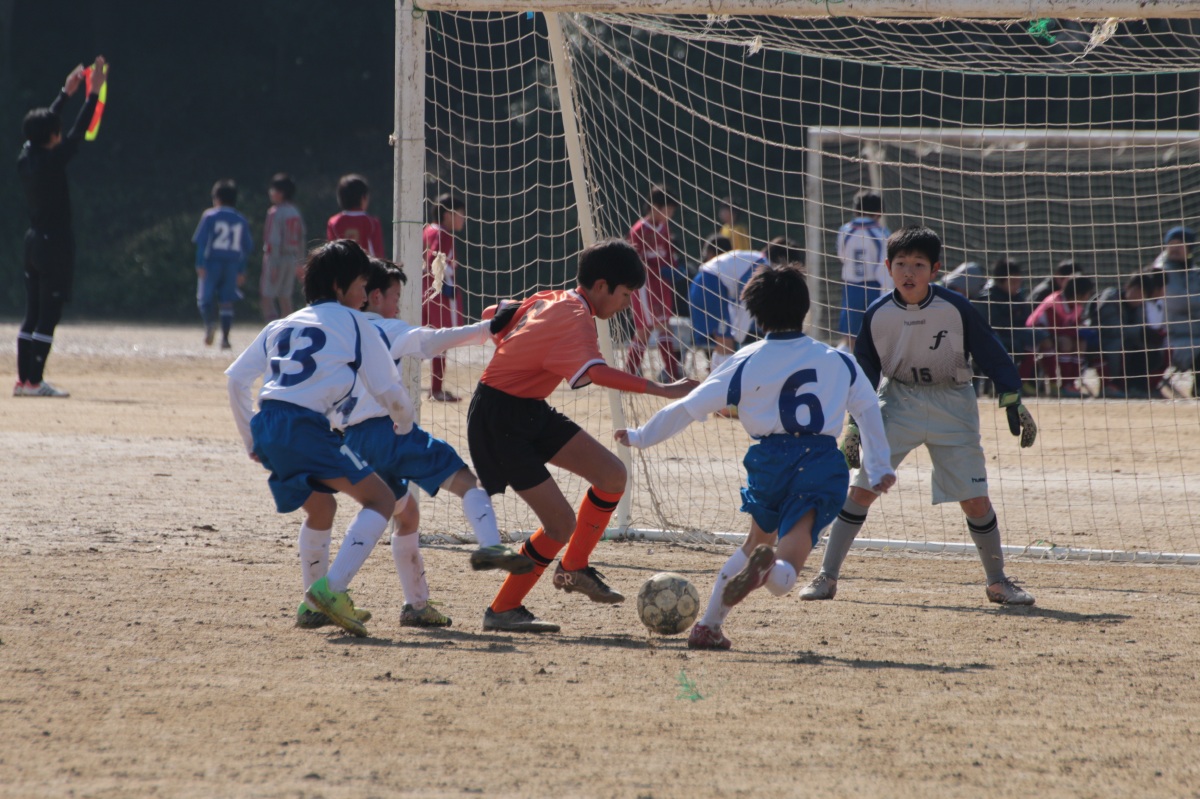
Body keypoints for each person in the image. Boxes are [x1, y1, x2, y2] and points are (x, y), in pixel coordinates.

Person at [617, 263, 895, 651]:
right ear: (805, 308)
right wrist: (879, 466)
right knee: (786, 570)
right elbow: (867, 411)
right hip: (818, 461)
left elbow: (690, 405)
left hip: (767, 461)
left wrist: (641, 435)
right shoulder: (839, 359)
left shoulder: (744, 359)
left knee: (755, 542)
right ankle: (768, 572)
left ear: (754, 313)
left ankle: (709, 625)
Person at [799, 225, 1039, 607]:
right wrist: (855, 425)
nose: (908, 272)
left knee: (975, 499)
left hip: (953, 404)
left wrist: (1011, 397)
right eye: (900, 264)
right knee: (862, 489)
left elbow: (990, 350)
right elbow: (865, 371)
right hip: (897, 401)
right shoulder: (877, 313)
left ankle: (998, 582)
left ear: (935, 269)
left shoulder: (956, 308)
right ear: (887, 267)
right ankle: (826, 577)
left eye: (918, 265)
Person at [470, 239, 696, 633]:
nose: (627, 304)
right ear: (602, 286)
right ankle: (502, 609)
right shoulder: (574, 315)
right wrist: (663, 389)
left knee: (612, 475)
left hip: (527, 409)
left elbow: (495, 315)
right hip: (499, 418)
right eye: (625, 294)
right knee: (560, 524)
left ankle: (574, 567)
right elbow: (596, 372)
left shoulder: (552, 298)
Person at [326, 257, 533, 629]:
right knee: (467, 482)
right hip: (388, 431)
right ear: (375, 296)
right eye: (396, 297)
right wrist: (487, 328)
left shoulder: (339, 330)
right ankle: (490, 545)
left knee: (403, 514)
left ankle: (400, 603)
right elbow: (430, 340)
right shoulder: (383, 327)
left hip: (351, 440)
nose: (398, 307)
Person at [225, 239, 415, 638]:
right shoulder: (357, 323)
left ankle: (313, 606)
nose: (365, 295)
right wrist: (404, 424)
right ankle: (332, 590)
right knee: (381, 500)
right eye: (361, 285)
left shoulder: (282, 323)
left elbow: (237, 379)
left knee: (321, 508)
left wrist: (251, 439)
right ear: (338, 286)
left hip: (269, 423)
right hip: (305, 426)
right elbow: (389, 390)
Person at [14, 56, 108, 398]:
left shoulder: (26, 157)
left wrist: (64, 94)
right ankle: (35, 382)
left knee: (31, 314)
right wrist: (93, 93)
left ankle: (24, 381)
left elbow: (43, 131)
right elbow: (78, 131)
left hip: (33, 242)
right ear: (52, 136)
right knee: (48, 316)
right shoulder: (53, 161)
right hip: (55, 245)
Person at [687, 235, 802, 376]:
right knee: (726, 344)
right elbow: (746, 301)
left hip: (705, 283)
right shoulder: (762, 267)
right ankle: (724, 379)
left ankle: (716, 376)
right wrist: (739, 334)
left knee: (722, 343)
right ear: (783, 262)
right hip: (710, 285)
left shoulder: (755, 258)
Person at [628, 185, 683, 380]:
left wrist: (675, 268)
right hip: (645, 286)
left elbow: (669, 254)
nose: (670, 215)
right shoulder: (639, 230)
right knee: (648, 329)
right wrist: (657, 270)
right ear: (655, 207)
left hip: (662, 285)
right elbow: (636, 260)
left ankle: (670, 373)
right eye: (669, 210)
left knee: (662, 326)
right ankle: (634, 371)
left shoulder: (664, 228)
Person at [193, 179, 252, 350]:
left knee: (204, 298)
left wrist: (199, 263)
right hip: (232, 264)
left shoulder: (210, 216)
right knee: (227, 301)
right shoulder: (241, 219)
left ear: (216, 198)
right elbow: (246, 247)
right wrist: (242, 269)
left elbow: (202, 243)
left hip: (211, 262)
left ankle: (209, 324)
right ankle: (225, 339)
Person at [1090, 271, 1168, 399]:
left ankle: (1139, 388)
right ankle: (1113, 385)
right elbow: (1109, 328)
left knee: (1150, 350)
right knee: (1121, 345)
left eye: (1143, 294)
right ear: (1127, 287)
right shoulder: (1110, 299)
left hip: (1127, 342)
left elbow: (1140, 328)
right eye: (1137, 291)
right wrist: (1139, 331)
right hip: (1101, 339)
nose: (1138, 297)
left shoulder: (1140, 306)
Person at [422, 193, 467, 402]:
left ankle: (428, 386)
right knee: (441, 339)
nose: (463, 219)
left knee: (424, 338)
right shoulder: (443, 235)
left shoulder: (427, 230)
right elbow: (434, 258)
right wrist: (446, 276)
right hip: (438, 294)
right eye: (461, 214)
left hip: (423, 291)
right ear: (448, 214)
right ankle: (436, 389)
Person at [836, 190, 891, 351]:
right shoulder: (882, 232)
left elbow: (842, 256)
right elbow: (885, 264)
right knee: (875, 333)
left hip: (851, 286)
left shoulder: (845, 230)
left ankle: (852, 361)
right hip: (874, 286)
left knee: (851, 334)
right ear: (879, 212)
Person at [975, 257, 1041, 393]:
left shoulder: (1018, 297)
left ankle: (1025, 382)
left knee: (1041, 337)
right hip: (993, 338)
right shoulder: (986, 298)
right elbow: (994, 325)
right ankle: (1010, 385)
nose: (1017, 286)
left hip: (1014, 336)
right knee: (1017, 343)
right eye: (1013, 282)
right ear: (1000, 280)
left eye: (1019, 281)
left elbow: (1024, 320)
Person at [1027, 274, 1095, 398]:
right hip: (1038, 332)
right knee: (1066, 342)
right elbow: (1056, 328)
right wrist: (1077, 331)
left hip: (1058, 334)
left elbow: (1074, 325)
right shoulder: (1054, 302)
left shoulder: (1077, 305)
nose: (1088, 296)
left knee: (1081, 343)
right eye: (1088, 293)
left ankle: (1070, 384)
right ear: (1079, 293)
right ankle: (1056, 383)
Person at [1153, 225, 1200, 388]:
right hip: (1170, 338)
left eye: (1180, 244)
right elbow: (1177, 301)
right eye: (1171, 244)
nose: (1175, 248)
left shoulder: (1195, 273)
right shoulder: (1159, 273)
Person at [260, 172, 306, 322]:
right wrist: (300, 262)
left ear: (280, 193)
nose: (270, 193)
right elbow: (301, 238)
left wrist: (273, 264)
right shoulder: (295, 212)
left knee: (267, 296)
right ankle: (289, 328)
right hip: (292, 259)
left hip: (277, 258)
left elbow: (273, 240)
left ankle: (271, 328)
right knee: (285, 297)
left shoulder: (275, 212)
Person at [326, 174, 384, 257]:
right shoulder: (372, 222)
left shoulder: (333, 222)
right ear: (363, 198)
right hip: (365, 265)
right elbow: (378, 254)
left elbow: (330, 253)